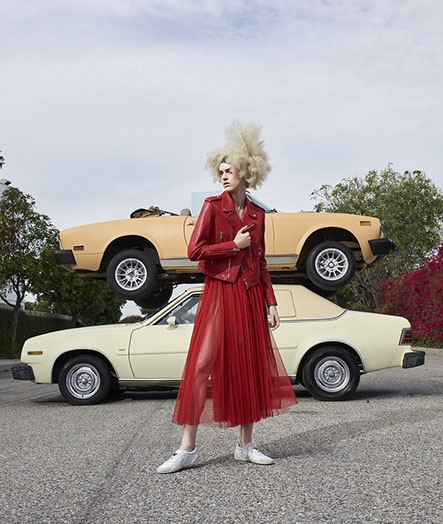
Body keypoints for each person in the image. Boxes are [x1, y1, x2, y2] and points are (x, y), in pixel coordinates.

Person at [157, 121, 297, 474]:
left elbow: (260, 261)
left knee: (248, 366)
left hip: (249, 295)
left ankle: (245, 446)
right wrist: (232, 246)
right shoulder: (211, 206)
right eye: (219, 171)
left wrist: (271, 301)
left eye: (229, 170)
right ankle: (187, 448)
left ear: (246, 171)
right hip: (220, 292)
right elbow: (195, 251)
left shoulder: (258, 215)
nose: (223, 176)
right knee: (202, 364)